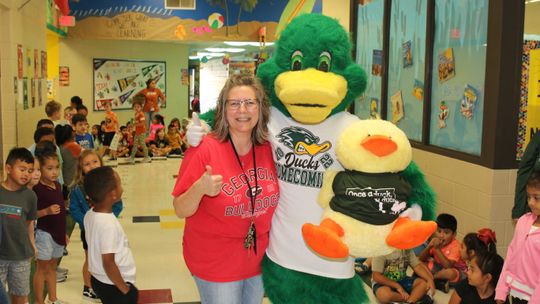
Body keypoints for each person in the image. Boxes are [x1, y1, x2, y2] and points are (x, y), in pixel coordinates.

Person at [172, 74, 279, 304]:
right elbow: (180, 208)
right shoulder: (203, 149)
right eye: (234, 103)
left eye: (250, 102)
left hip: (258, 258)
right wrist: (200, 187)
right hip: (215, 261)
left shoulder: (269, 148)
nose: (243, 110)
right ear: (223, 108)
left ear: (260, 108)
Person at [70, 150, 124, 301]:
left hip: (106, 231)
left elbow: (118, 203)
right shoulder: (78, 189)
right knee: (90, 259)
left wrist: (108, 218)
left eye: (95, 162)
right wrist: (87, 222)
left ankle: (105, 283)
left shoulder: (109, 185)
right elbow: (74, 209)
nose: (92, 166)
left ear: (101, 162)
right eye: (87, 164)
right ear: (81, 169)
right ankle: (88, 287)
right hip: (89, 231)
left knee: (107, 258)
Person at [84, 166, 138, 304]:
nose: (122, 186)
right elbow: (108, 262)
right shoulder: (108, 225)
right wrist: (124, 289)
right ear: (113, 194)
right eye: (119, 183)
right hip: (114, 284)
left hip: (97, 280)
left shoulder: (90, 214)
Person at [495, 170, 540, 303]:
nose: (531, 202)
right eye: (528, 197)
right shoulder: (523, 221)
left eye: (537, 198)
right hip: (516, 293)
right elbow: (510, 256)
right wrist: (501, 291)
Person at [0, 148, 37, 304]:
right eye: (22, 169)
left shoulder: (30, 196)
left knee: (20, 296)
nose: (26, 174)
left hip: (21, 256)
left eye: (30, 170)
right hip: (1, 256)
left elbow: (28, 224)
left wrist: (33, 245)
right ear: (8, 169)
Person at [32, 148, 68, 304]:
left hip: (57, 234)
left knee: (52, 267)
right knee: (42, 268)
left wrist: (64, 232)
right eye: (49, 168)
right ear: (40, 170)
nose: (54, 172)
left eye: (57, 168)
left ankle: (53, 299)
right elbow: (31, 215)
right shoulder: (37, 189)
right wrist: (46, 211)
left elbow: (61, 214)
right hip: (44, 233)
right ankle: (40, 301)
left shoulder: (57, 185)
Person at [418, 213, 467, 293]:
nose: (441, 235)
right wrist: (429, 246)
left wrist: (437, 249)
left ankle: (431, 279)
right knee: (418, 262)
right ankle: (439, 283)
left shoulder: (456, 246)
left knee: (449, 273)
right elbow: (421, 258)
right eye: (439, 231)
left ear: (454, 235)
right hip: (438, 267)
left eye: (446, 233)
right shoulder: (435, 241)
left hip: (455, 271)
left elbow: (448, 266)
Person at [55, 124, 82, 191]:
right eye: (73, 130)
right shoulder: (72, 146)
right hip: (73, 181)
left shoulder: (60, 146)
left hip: (66, 180)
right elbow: (89, 156)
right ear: (71, 133)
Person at [129, 97, 151, 164]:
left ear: (141, 107)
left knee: (142, 144)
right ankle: (132, 157)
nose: (136, 108)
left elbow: (143, 123)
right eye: (135, 107)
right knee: (135, 144)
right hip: (137, 132)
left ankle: (147, 157)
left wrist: (134, 125)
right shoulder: (136, 114)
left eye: (138, 107)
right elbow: (136, 123)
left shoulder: (141, 114)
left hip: (142, 132)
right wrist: (132, 125)